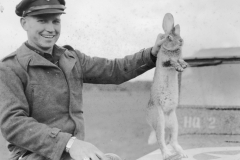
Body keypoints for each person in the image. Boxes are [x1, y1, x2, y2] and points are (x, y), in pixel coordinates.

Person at [0, 0, 166, 160]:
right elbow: (13, 124)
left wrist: (152, 54)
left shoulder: (72, 58)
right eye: (42, 20)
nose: (50, 29)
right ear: (24, 24)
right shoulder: (10, 67)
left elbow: (114, 70)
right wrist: (70, 144)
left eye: (56, 21)